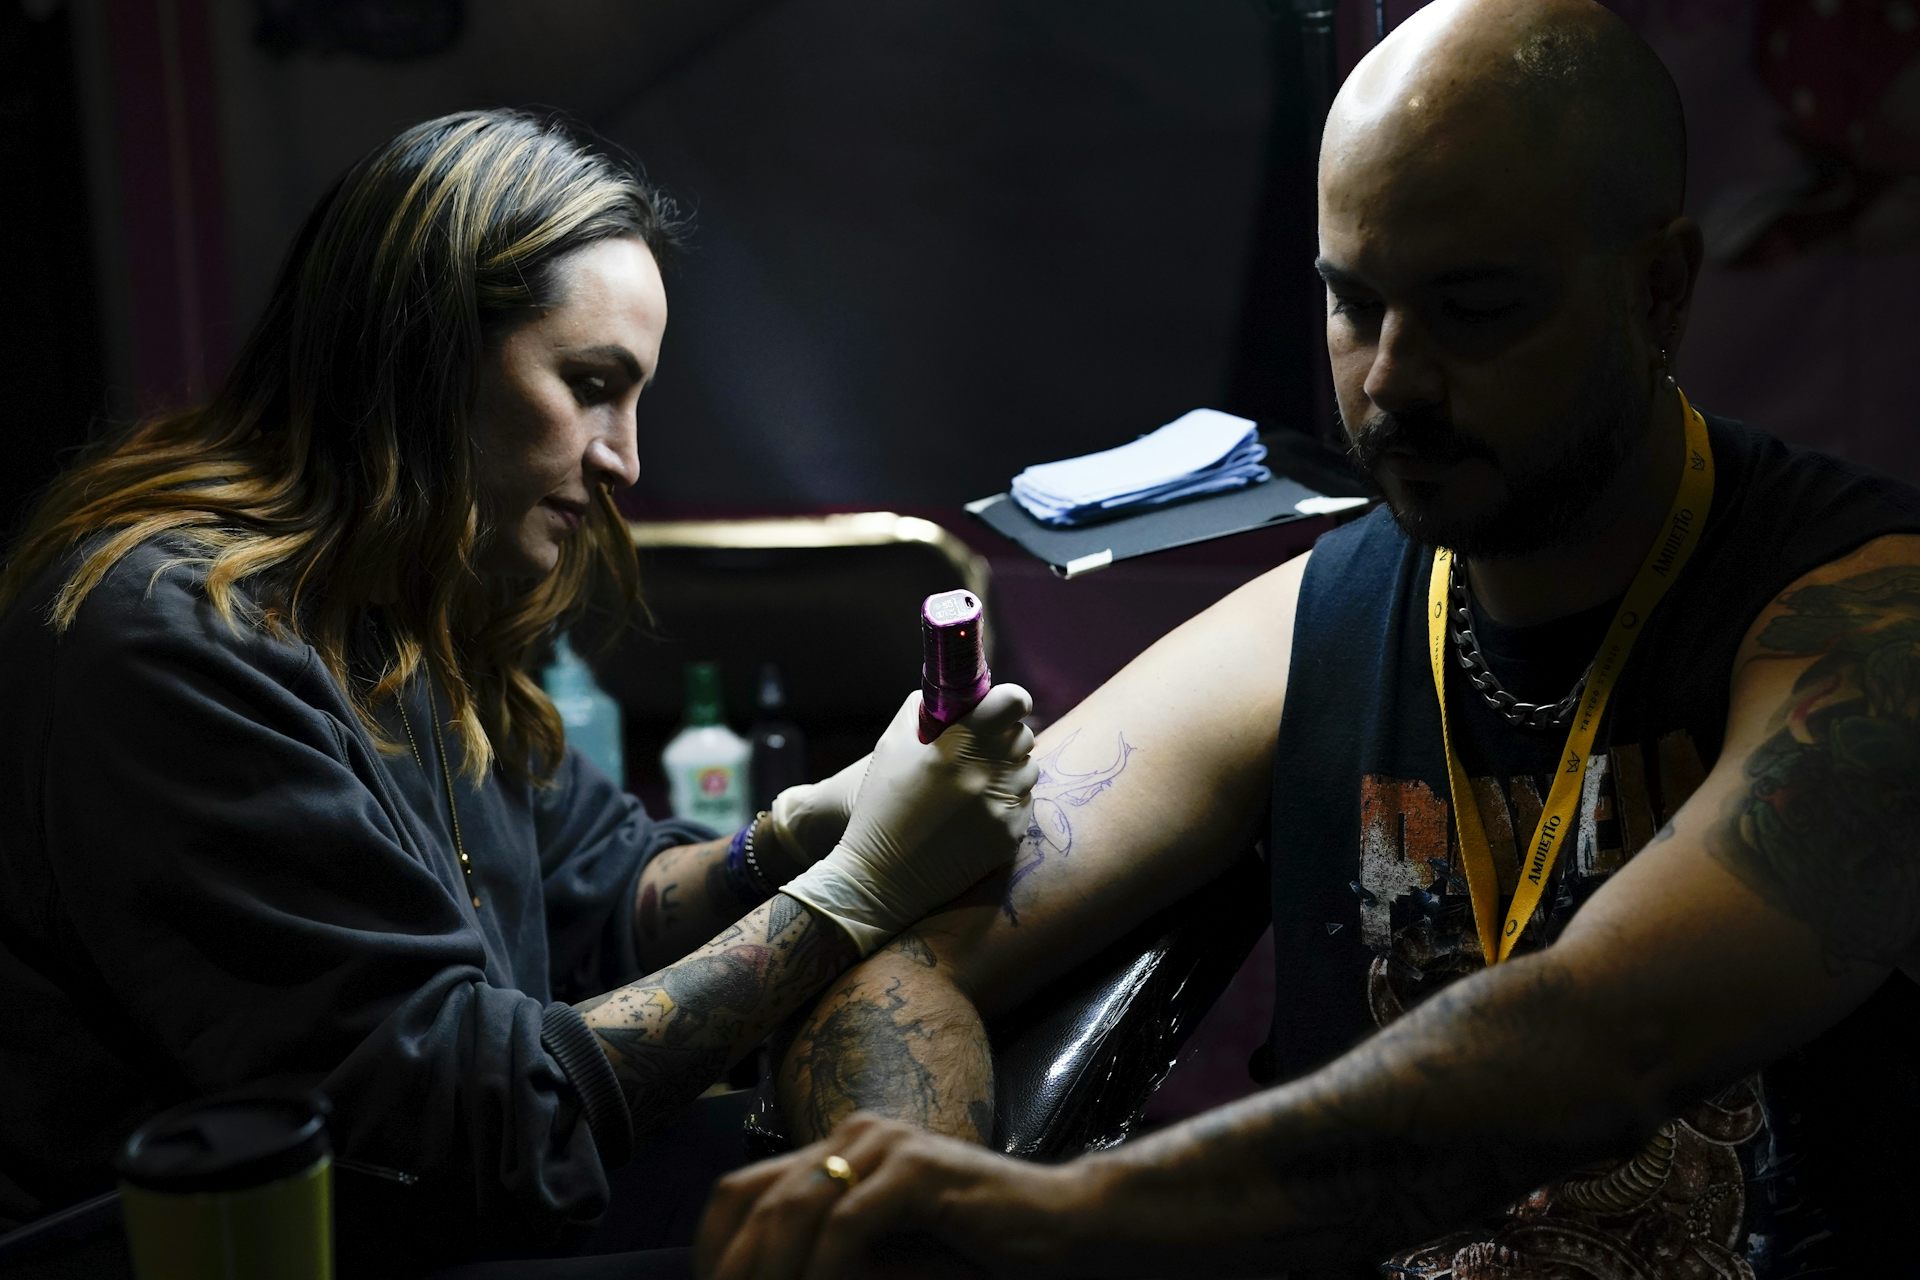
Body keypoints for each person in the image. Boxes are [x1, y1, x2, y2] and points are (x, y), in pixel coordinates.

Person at [694, 1, 1920, 1275]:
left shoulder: (1864, 622)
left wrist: (1059, 1215)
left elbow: (1605, 1040)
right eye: (1355, 303)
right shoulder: (1319, 620)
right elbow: (902, 944)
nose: (1392, 379)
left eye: (1475, 306)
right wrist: (916, 1189)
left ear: (1657, 289)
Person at [0, 109, 1036, 1271]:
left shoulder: (404, 603)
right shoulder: (171, 640)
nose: (624, 458)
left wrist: (795, 835)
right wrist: (851, 891)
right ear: (420, 354)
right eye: (591, 383)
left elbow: (606, 895)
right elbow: (475, 1116)